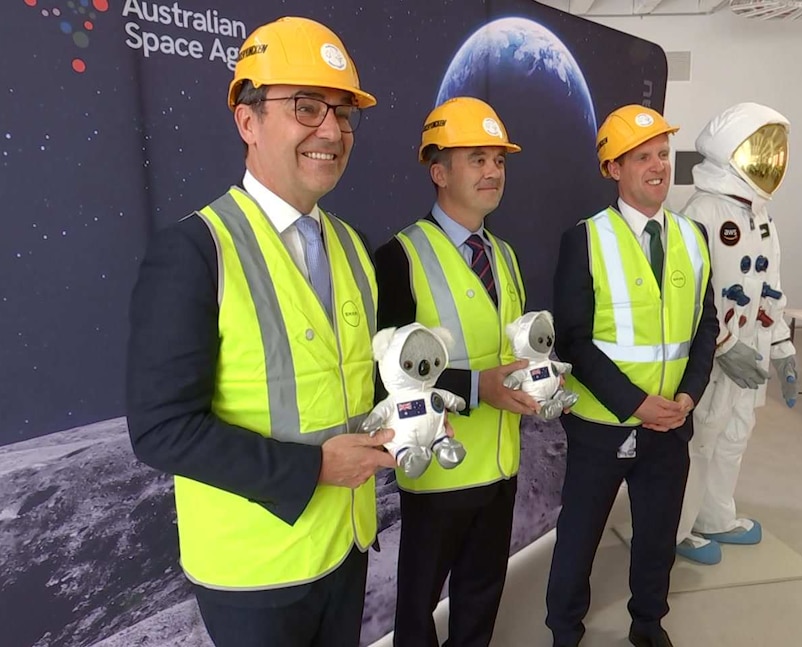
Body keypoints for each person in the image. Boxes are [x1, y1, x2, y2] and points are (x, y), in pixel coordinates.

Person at [125, 16, 396, 647]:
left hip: (347, 545)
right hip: (257, 573)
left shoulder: (354, 247)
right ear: (247, 122)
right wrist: (312, 470)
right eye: (306, 107)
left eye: (343, 112)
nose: (332, 129)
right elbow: (161, 429)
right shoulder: (196, 251)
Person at [546, 104, 719, 647]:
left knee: (657, 537)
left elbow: (705, 328)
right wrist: (636, 403)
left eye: (663, 155)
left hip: (671, 426)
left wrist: (688, 396)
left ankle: (648, 624)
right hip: (603, 425)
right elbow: (574, 340)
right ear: (613, 169)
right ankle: (564, 630)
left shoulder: (694, 238)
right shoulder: (585, 240)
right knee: (578, 537)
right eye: (642, 156)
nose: (658, 166)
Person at [374, 96, 537, 647]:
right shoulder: (400, 257)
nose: (493, 171)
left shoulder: (507, 257)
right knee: (418, 609)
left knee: (481, 597)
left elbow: (512, 346)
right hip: (439, 478)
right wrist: (477, 388)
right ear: (438, 171)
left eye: (499, 160)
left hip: (501, 467)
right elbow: (388, 376)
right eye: (477, 159)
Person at [675, 102, 797, 565]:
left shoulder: (761, 217)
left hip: (755, 354)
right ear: (730, 152)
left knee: (735, 435)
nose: (770, 161)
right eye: (761, 149)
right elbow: (688, 296)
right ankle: (679, 526)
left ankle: (715, 516)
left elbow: (771, 289)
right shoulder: (701, 212)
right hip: (714, 357)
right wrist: (722, 346)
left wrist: (782, 348)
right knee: (701, 439)